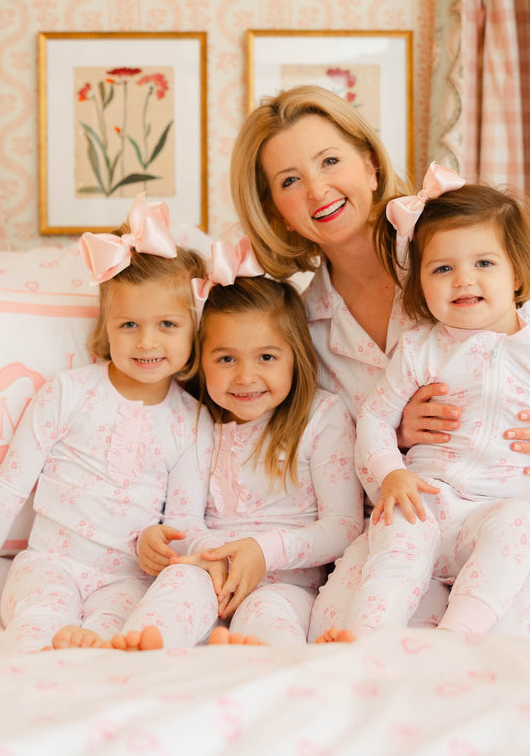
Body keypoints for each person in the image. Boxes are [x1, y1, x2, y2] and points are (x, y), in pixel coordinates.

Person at [229, 85, 530, 643]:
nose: (318, 189)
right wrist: (394, 436)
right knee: (354, 634)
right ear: (276, 211)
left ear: (372, 166)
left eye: (330, 161)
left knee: (514, 650)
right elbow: (330, 459)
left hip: (516, 513)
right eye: (289, 181)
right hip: (411, 523)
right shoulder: (300, 329)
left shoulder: (470, 252)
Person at [333, 168, 530, 638]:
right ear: (421, 285)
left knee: (522, 523)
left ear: (519, 273)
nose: (463, 279)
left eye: (484, 263)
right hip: (429, 500)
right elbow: (375, 417)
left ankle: (458, 636)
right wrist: (390, 472)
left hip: (497, 511)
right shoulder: (421, 348)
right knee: (400, 531)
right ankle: (364, 639)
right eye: (443, 268)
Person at [0, 195, 213, 651]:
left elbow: (183, 519)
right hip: (49, 563)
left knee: (116, 637)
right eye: (128, 325)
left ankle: (90, 676)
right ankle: (33, 675)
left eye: (167, 324)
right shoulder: (67, 393)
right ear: (105, 326)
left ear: (193, 330)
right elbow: (9, 489)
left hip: (127, 579)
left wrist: (163, 543)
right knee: (38, 622)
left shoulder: (192, 421)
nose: (147, 341)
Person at [110, 239, 362, 650]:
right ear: (201, 359)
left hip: (285, 584)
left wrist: (261, 552)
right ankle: (142, 651)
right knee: (177, 582)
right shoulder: (197, 420)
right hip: (208, 570)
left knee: (268, 613)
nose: (245, 377)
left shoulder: (322, 418)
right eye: (226, 359)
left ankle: (264, 665)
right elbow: (183, 518)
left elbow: (344, 527)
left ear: (296, 356)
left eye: (266, 357)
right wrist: (211, 555)